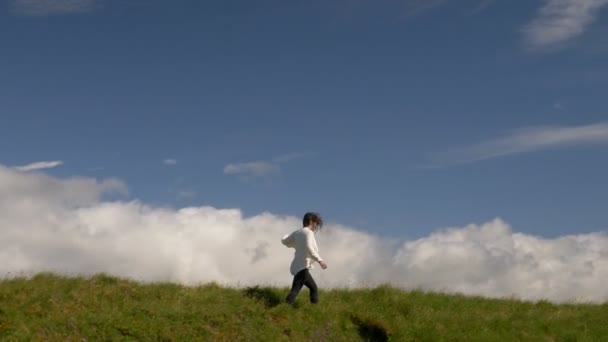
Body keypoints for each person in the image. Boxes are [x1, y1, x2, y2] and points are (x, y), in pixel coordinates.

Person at [281, 212, 328, 304]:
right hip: (302, 268)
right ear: (311, 222)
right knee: (298, 290)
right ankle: (286, 307)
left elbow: (285, 241)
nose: (316, 226)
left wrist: (285, 236)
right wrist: (320, 261)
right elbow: (309, 247)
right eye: (316, 223)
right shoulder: (308, 232)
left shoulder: (297, 232)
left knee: (311, 288)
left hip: (298, 267)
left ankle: (314, 310)